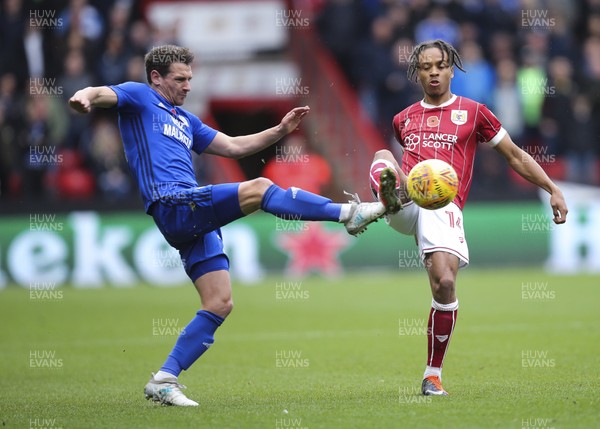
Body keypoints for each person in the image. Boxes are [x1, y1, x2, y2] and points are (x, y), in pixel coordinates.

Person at [68, 44, 400, 406]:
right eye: (180, 79)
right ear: (156, 78)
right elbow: (100, 92)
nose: (188, 86)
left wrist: (279, 130)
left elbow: (235, 146)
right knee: (259, 189)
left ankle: (164, 379)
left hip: (193, 215)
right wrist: (82, 97)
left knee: (220, 302)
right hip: (173, 202)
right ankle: (347, 214)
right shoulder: (139, 97)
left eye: (190, 79)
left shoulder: (185, 120)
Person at [369, 39, 568, 396]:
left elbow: (515, 156)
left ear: (451, 69)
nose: (433, 72)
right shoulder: (403, 118)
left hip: (442, 205)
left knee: (444, 283)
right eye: (425, 66)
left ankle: (432, 375)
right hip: (408, 199)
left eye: (439, 66)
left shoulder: (474, 112)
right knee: (384, 154)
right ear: (417, 72)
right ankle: (385, 198)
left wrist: (551, 187)